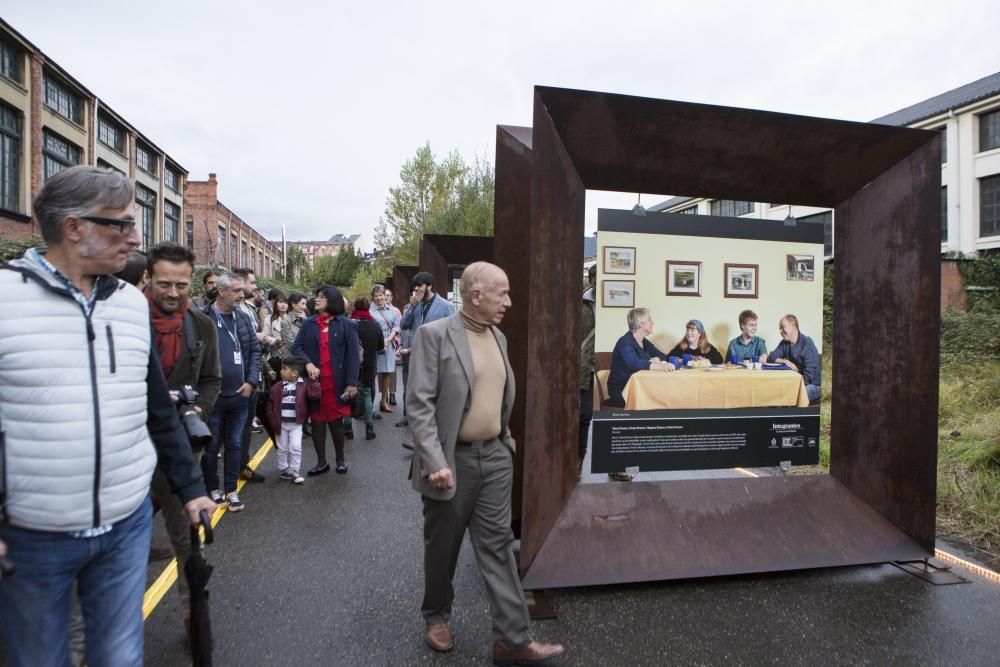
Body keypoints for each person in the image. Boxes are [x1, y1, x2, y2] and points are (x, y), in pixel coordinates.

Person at [0, 166, 216, 667]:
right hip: (35, 536)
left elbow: (158, 408)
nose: (135, 237)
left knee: (119, 656)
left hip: (126, 525)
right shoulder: (7, 299)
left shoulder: (126, 304)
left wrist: (189, 487)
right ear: (75, 228)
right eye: (121, 224)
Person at [407, 261, 565, 664]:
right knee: (443, 547)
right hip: (450, 460)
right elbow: (419, 404)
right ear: (476, 296)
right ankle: (437, 616)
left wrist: (505, 442)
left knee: (497, 547)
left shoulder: (499, 337)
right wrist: (434, 459)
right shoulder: (434, 335)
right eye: (503, 294)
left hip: (495, 456)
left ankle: (512, 640)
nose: (509, 302)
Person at [145, 241, 222, 632]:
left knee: (185, 536)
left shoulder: (201, 325)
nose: (173, 293)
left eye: (181, 285)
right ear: (147, 279)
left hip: (179, 444)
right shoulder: (125, 320)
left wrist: (198, 410)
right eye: (164, 284)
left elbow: (211, 380)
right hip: (126, 445)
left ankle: (193, 609)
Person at [201, 272, 261, 511]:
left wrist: (251, 382)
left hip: (240, 395)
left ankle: (231, 490)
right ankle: (212, 490)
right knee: (212, 445)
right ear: (221, 291)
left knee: (235, 444)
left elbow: (254, 352)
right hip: (213, 397)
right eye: (236, 291)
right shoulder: (203, 318)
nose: (241, 295)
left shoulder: (243, 319)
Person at [292, 285, 360, 475]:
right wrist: (308, 364)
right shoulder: (308, 323)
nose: (316, 300)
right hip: (315, 383)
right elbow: (297, 348)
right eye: (316, 296)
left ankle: (340, 460)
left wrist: (352, 382)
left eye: (321, 297)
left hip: (336, 382)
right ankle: (321, 462)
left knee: (336, 421)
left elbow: (353, 356)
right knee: (317, 422)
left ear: (332, 300)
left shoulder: (347, 324)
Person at [400, 271, 455, 451]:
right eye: (414, 288)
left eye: (420, 287)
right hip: (418, 357)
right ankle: (419, 439)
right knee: (420, 399)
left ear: (429, 286)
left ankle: (435, 438)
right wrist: (412, 306)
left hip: (437, 357)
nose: (416, 290)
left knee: (434, 399)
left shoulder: (445, 306)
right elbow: (403, 325)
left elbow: (453, 331)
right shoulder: (414, 305)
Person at [232, 267, 270, 481]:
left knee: (245, 426)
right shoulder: (233, 310)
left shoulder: (247, 308)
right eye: (252, 283)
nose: (256, 288)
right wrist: (259, 337)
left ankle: (241, 466)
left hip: (251, 376)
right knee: (234, 428)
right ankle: (233, 472)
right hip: (240, 378)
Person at [265, 357, 320, 485]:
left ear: (294, 373)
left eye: (284, 369)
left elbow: (315, 394)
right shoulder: (277, 387)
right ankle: (284, 469)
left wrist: (314, 380)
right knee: (282, 448)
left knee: (295, 447)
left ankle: (295, 471)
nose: (281, 371)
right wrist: (272, 418)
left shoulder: (304, 384)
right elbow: (270, 404)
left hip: (296, 424)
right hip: (281, 424)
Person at [607, 308, 676, 406]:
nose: (653, 322)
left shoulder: (644, 341)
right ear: (640, 324)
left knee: (664, 396)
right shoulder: (625, 342)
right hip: (621, 390)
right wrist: (660, 366)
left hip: (639, 387)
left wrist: (657, 359)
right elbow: (634, 363)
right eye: (649, 319)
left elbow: (662, 355)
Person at [348, 296, 383, 440]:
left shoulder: (349, 324)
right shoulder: (375, 325)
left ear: (355, 308)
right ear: (368, 307)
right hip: (369, 363)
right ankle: (369, 429)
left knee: (348, 394)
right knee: (367, 393)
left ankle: (347, 428)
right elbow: (380, 346)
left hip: (350, 363)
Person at [768, 314, 822, 402]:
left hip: (813, 385)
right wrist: (785, 361)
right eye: (779, 329)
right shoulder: (784, 343)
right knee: (776, 392)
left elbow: (808, 377)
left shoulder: (807, 343)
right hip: (796, 383)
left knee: (789, 396)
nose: (780, 331)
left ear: (792, 325)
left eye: (782, 327)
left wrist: (791, 386)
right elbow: (771, 357)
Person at [370, 285, 401, 413]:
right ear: (373, 297)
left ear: (385, 295)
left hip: (388, 344)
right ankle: (369, 403)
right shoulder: (369, 311)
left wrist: (389, 339)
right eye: (376, 296)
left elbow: (396, 326)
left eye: (381, 295)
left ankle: (384, 401)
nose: (379, 298)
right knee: (372, 374)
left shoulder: (393, 311)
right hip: (373, 345)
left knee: (387, 372)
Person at [579, 264, 597, 468]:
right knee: (583, 415)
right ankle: (578, 460)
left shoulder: (618, 302)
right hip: (585, 368)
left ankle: (616, 464)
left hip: (609, 368)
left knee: (614, 415)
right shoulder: (582, 302)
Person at [383, 287, 403, 405]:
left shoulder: (396, 311)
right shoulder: (377, 310)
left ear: (392, 297)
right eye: (385, 295)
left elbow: (400, 327)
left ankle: (392, 394)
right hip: (382, 342)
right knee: (382, 370)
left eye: (389, 295)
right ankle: (384, 395)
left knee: (392, 370)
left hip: (393, 342)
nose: (386, 297)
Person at [264, 294, 289, 360]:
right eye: (280, 302)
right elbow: (265, 336)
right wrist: (275, 341)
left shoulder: (291, 319)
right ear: (276, 304)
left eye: (286, 303)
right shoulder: (269, 319)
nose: (283, 305)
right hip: (275, 354)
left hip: (289, 354)